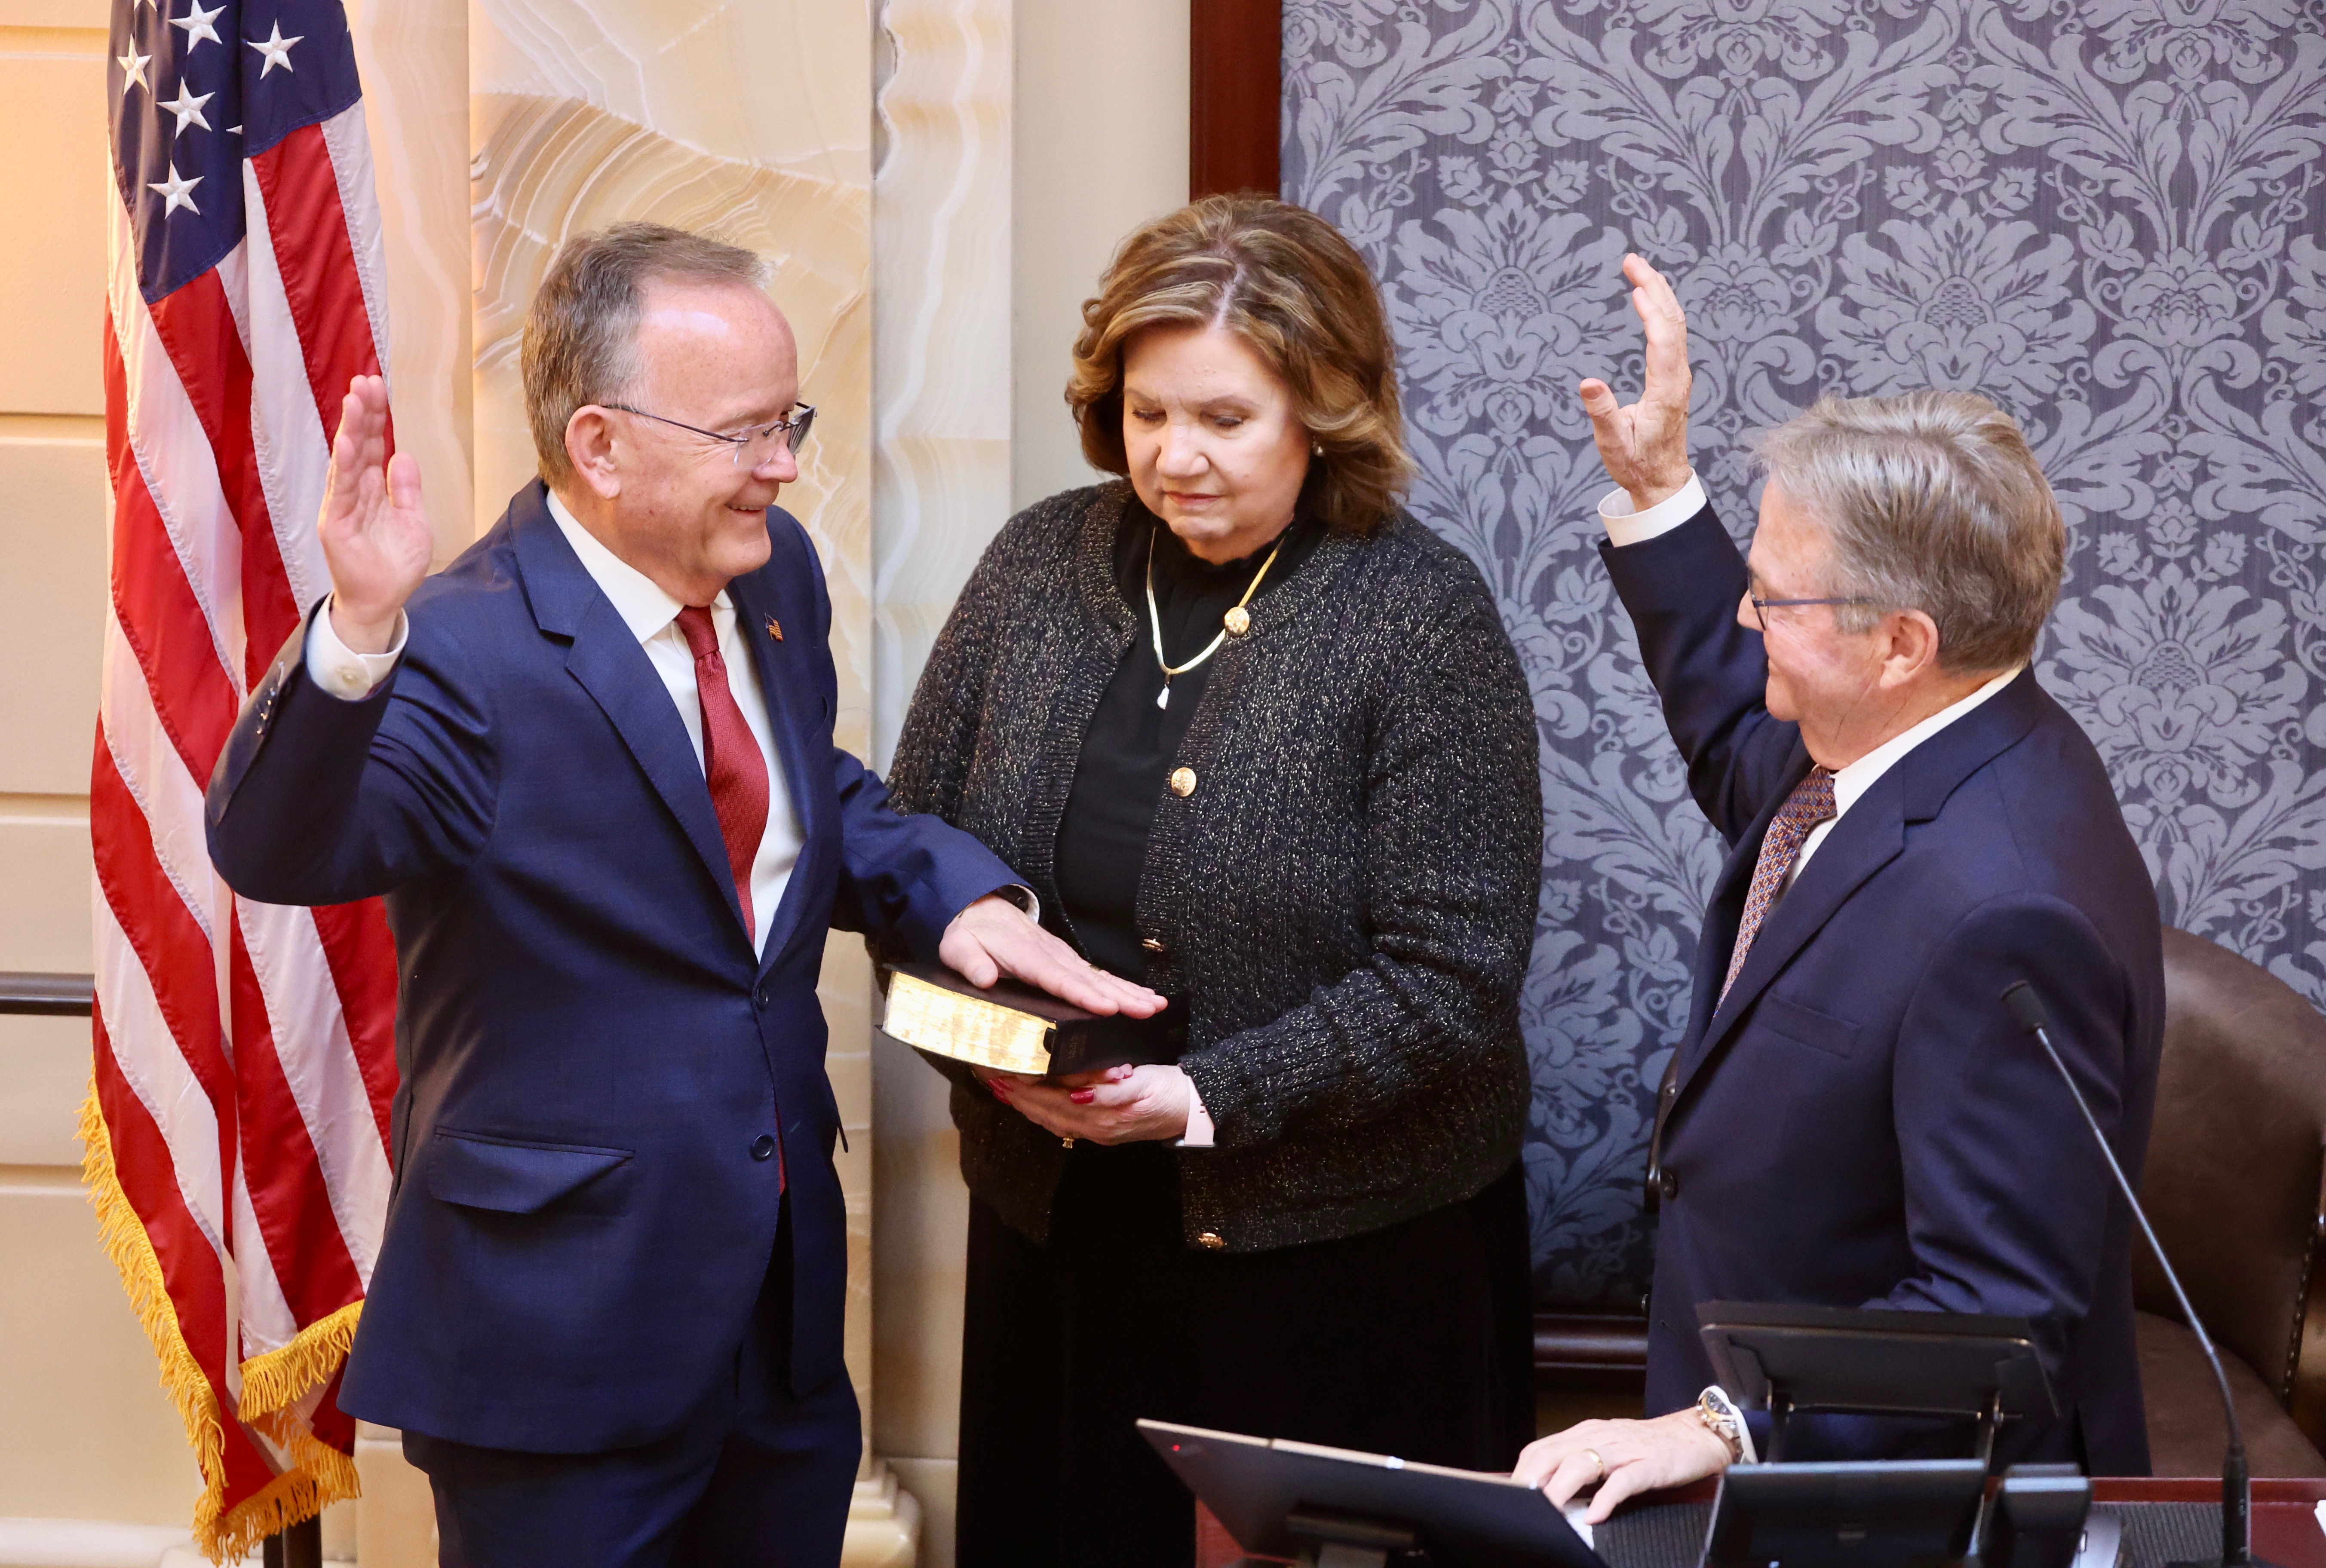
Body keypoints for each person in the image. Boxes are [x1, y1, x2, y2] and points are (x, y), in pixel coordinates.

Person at [203, 223, 1159, 1568]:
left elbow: (791, 795)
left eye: (791, 422)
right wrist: (357, 639)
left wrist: (951, 897)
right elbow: (276, 853)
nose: (782, 466)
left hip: (775, 1327)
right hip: (557, 1345)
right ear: (599, 445)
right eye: (746, 433)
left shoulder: (770, 580)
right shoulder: (457, 642)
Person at [882, 194, 1543, 1567]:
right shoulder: (1036, 565)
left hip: (1335, 1262)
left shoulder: (1417, 619)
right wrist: (989, 1058)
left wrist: (1196, 1102)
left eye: (1224, 421)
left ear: (1327, 410)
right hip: (1062, 1234)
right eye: (1143, 414)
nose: (1173, 458)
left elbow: (1452, 980)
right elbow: (909, 857)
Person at [1514, 256, 2163, 1518]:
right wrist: (1658, 497)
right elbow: (1738, 724)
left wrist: (1727, 1425)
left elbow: (1996, 1314)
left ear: (1899, 641)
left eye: (1771, 595)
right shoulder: (1921, 737)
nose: (1746, 616)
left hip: (1885, 1502)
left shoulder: (2006, 909)